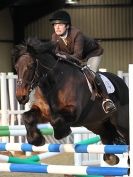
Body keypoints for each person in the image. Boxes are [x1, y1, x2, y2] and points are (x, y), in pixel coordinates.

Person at [49, 10, 116, 114]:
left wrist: (62, 55)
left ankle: (106, 100)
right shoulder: (54, 37)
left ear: (67, 26)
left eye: (60, 25)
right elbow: (55, 54)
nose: (57, 27)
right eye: (55, 25)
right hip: (73, 57)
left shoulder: (77, 34)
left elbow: (77, 56)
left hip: (92, 54)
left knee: (91, 73)